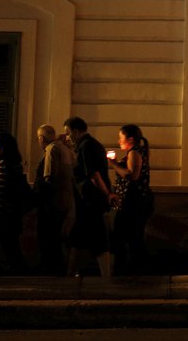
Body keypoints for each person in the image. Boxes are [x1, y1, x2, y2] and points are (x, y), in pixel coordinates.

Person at [65, 116, 113, 278]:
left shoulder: (86, 147)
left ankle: (106, 276)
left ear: (76, 132)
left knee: (97, 239)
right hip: (88, 201)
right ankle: (71, 273)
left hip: (90, 201)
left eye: (68, 133)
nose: (67, 137)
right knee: (78, 237)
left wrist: (107, 194)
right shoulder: (93, 145)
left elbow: (94, 175)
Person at [108, 124, 154, 275]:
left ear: (130, 139)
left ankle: (133, 269)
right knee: (132, 236)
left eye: (121, 138)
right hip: (132, 200)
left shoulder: (134, 153)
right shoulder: (136, 152)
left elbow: (132, 175)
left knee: (128, 236)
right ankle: (137, 268)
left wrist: (114, 165)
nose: (119, 141)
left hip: (133, 202)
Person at [35, 124, 75, 275]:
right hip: (65, 201)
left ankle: (51, 270)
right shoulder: (65, 148)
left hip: (52, 204)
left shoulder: (52, 149)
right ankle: (58, 268)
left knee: (49, 239)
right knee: (58, 239)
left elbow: (50, 177)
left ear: (41, 138)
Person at [0, 133, 28, 274]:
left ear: (2, 149)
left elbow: (1, 190)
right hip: (13, 213)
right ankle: (18, 271)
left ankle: (16, 272)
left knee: (7, 245)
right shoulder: (15, 165)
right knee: (11, 245)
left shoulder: (3, 165)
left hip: (4, 214)